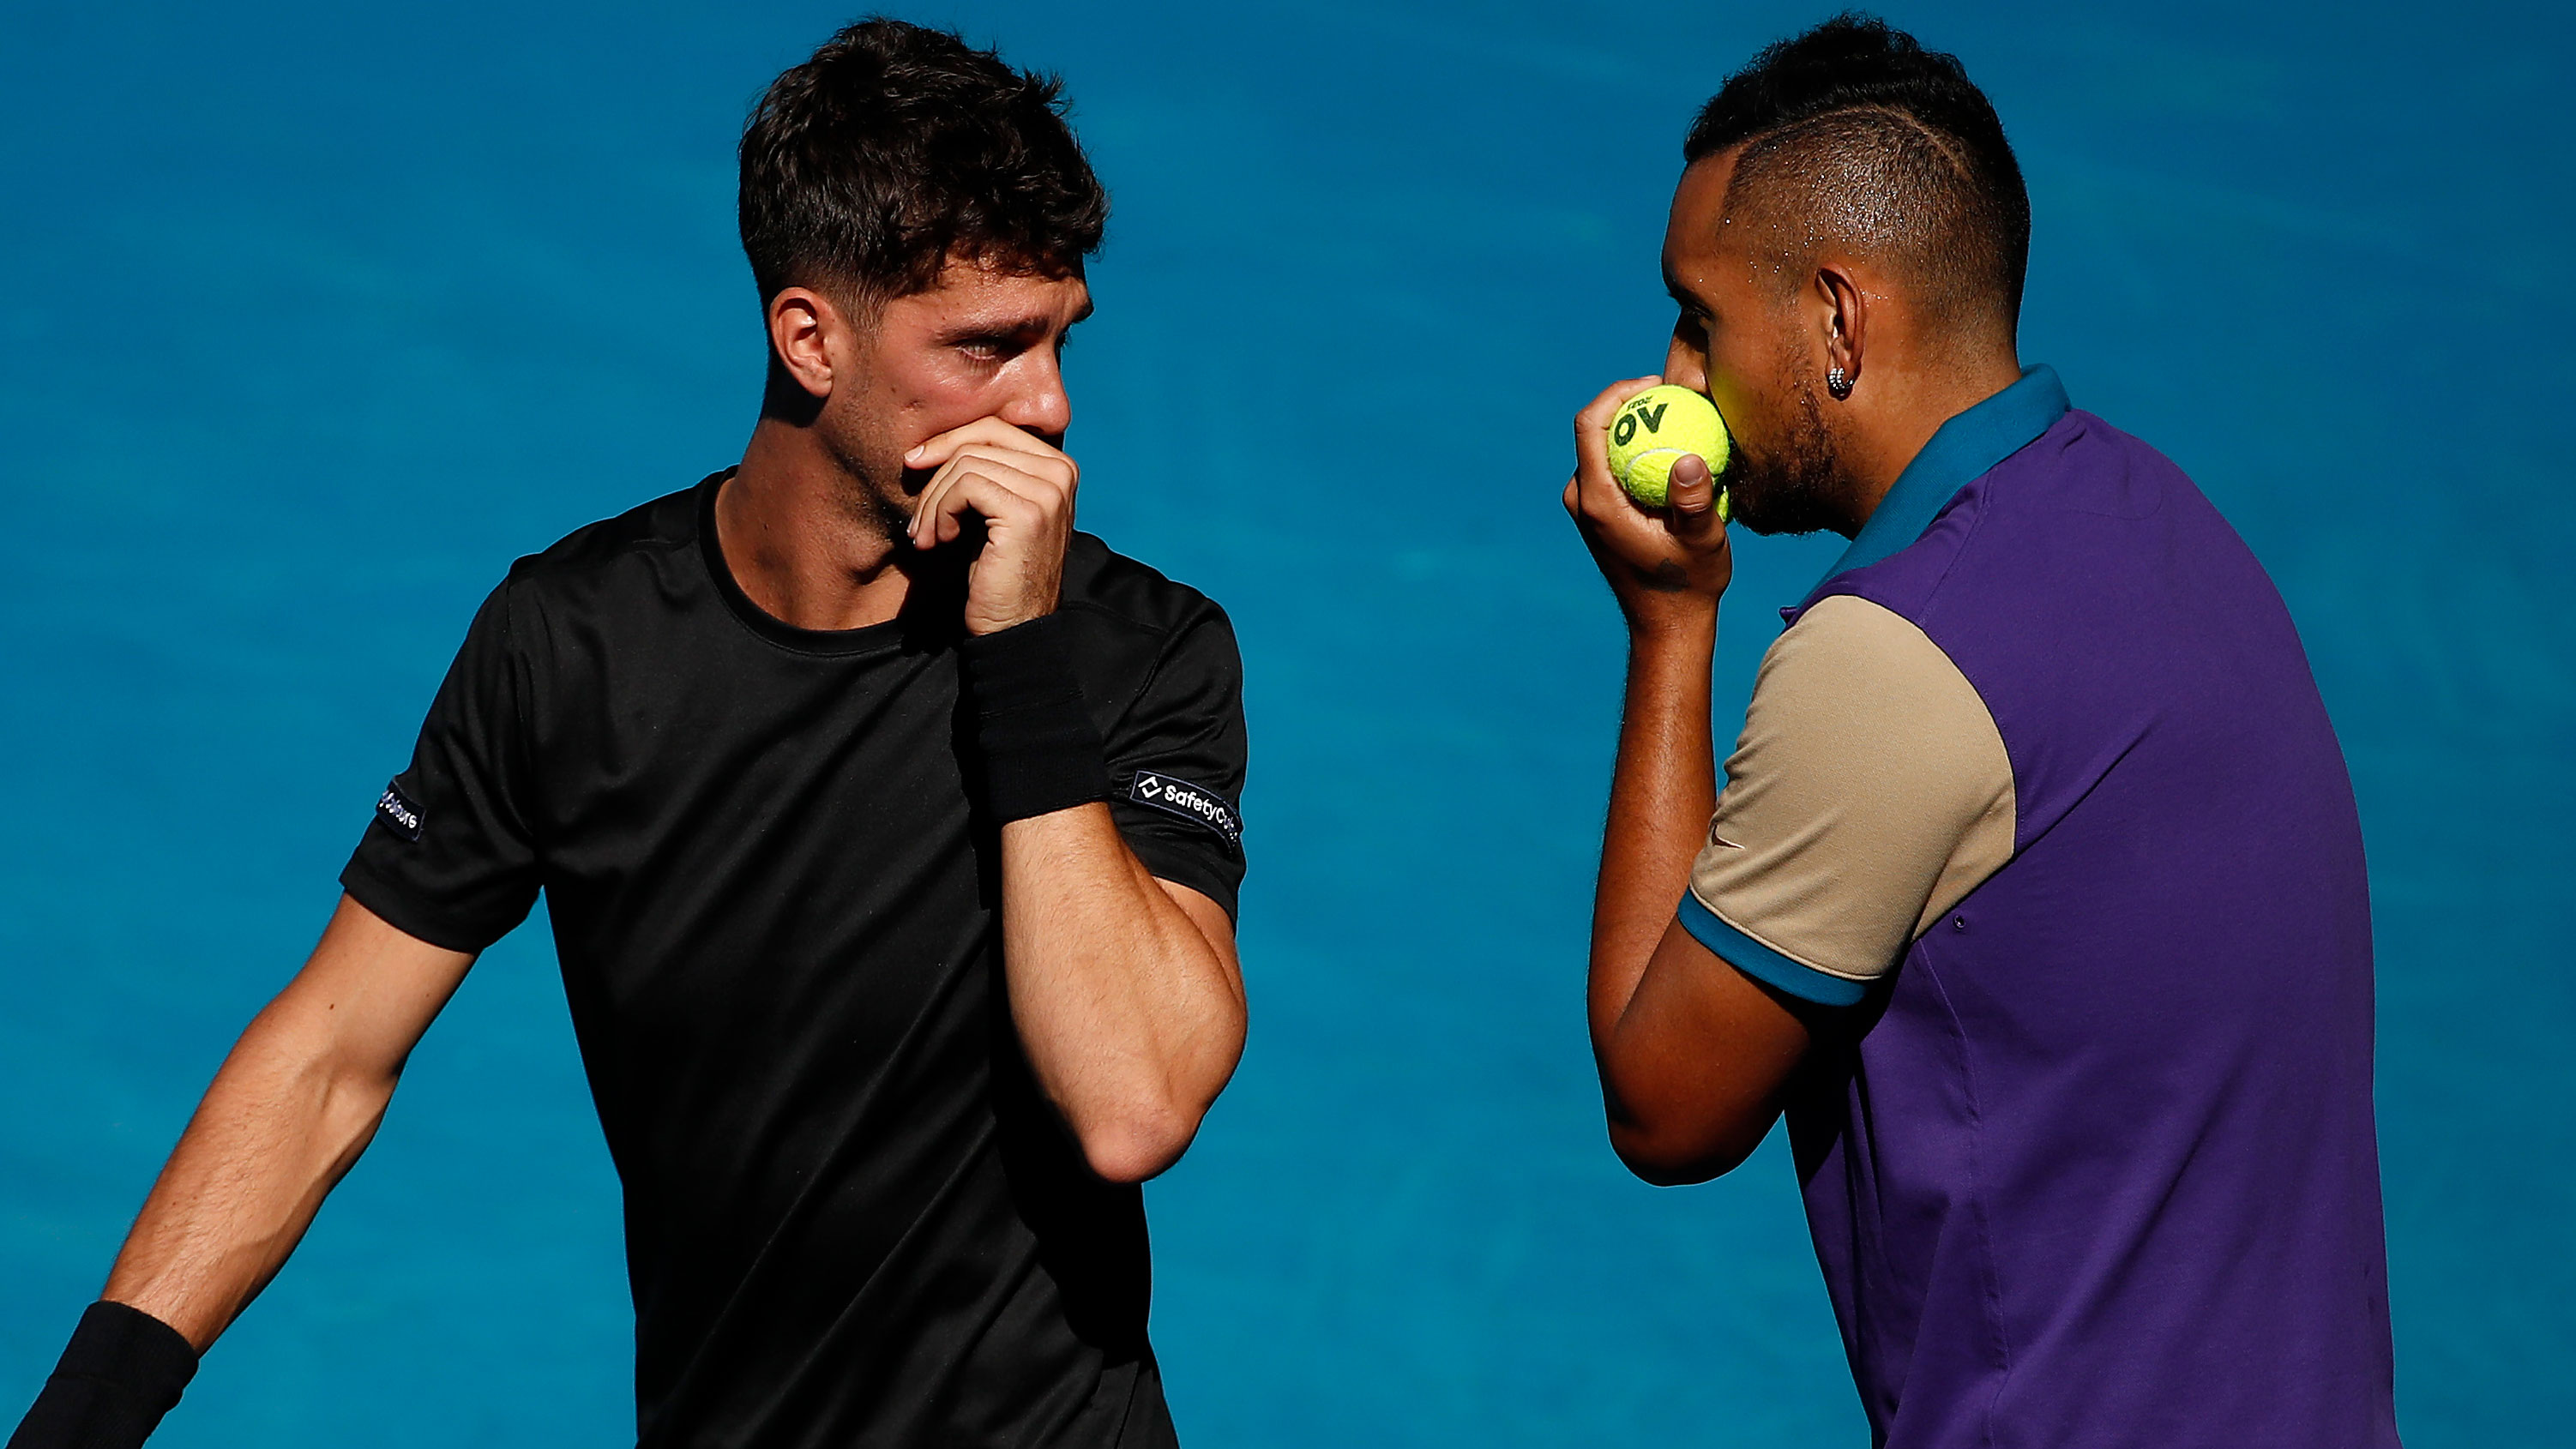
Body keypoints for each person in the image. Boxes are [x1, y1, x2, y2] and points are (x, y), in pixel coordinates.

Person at [9, 19, 1248, 1449]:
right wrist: (82, 1417)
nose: (1049, 406)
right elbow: (328, 1057)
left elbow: (1133, 1104)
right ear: (810, 339)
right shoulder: (573, 647)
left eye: (1059, 337)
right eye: (988, 348)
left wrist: (1018, 655)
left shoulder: (1135, 647)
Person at [1564, 15, 2398, 1447]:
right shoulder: (2176, 528)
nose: (1673, 376)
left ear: (1838, 321)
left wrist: (1671, 628)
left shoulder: (1892, 654)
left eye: (1699, 318)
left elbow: (1664, 1106)